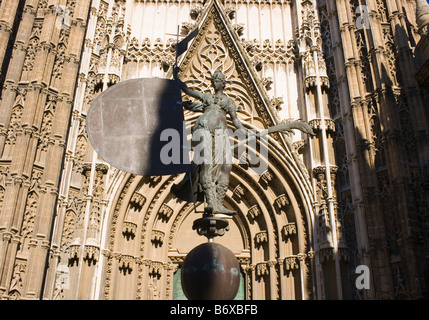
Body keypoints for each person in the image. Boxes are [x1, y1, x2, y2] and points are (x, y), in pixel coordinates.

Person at [171, 67, 247, 215]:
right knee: (206, 163)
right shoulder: (207, 97)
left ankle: (218, 202)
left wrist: (246, 133)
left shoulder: (228, 101)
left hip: (221, 133)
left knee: (227, 165)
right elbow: (188, 91)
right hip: (203, 127)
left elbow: (235, 120)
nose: (215, 83)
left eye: (218, 80)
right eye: (213, 80)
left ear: (223, 83)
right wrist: (176, 77)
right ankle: (211, 202)